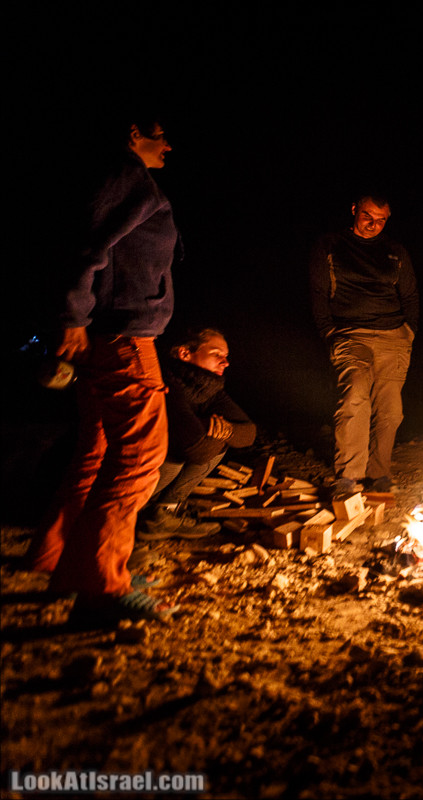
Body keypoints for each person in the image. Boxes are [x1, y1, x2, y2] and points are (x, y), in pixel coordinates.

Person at [25, 114, 181, 624]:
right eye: (161, 136)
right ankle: (101, 585)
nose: (170, 146)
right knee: (140, 456)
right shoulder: (128, 178)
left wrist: (77, 318)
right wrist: (72, 314)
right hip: (125, 338)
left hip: (105, 334)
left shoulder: (108, 177)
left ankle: (58, 560)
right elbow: (86, 250)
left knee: (94, 451)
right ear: (134, 133)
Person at [309, 193, 418, 496]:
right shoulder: (330, 245)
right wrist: (328, 332)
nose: (373, 224)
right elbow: (318, 291)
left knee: (391, 410)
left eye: (381, 219)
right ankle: (349, 475)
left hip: (393, 336)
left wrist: (409, 330)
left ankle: (379, 473)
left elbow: (409, 295)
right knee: (355, 393)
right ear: (354, 209)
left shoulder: (395, 251)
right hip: (349, 334)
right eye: (368, 216)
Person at [136, 327, 256, 539]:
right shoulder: (164, 379)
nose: (225, 362)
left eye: (226, 357)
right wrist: (215, 431)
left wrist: (225, 430)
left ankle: (164, 513)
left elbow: (249, 433)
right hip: (134, 472)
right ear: (185, 353)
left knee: (223, 438)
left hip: (171, 458)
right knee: (178, 454)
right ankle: (130, 522)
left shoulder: (210, 389)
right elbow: (190, 443)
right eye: (216, 354)